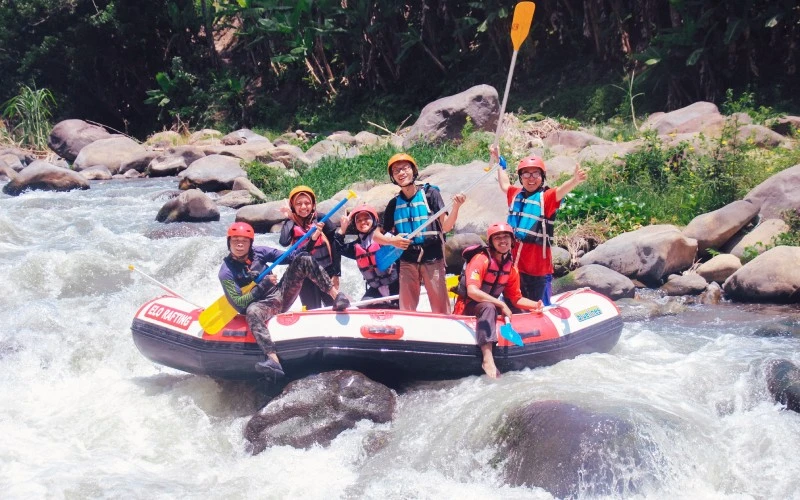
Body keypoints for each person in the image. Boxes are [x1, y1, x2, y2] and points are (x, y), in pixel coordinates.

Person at [219, 222, 350, 378]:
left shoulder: (259, 252)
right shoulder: (226, 272)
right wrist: (261, 287)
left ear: (250, 243)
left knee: (303, 259)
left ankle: (337, 296)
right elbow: (239, 303)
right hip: (263, 306)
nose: (240, 244)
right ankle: (273, 360)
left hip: (281, 293)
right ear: (229, 242)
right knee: (252, 311)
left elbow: (292, 256)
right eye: (235, 240)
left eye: (244, 240)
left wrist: (312, 240)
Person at [491, 145, 587, 305]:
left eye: (536, 173)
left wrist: (574, 181)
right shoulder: (515, 194)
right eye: (526, 174)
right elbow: (504, 184)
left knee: (540, 306)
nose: (531, 178)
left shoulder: (547, 198)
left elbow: (561, 191)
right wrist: (499, 162)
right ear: (521, 177)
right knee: (513, 301)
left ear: (542, 177)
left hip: (538, 268)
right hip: (514, 264)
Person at [374, 153, 466, 314]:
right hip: (407, 259)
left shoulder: (431, 194)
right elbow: (376, 235)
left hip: (432, 256)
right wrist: (392, 241)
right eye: (396, 171)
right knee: (407, 308)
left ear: (413, 171)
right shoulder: (394, 203)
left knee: (440, 308)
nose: (401, 173)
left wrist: (456, 207)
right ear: (393, 177)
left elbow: (446, 227)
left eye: (404, 168)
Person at [453, 222, 543, 378]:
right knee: (489, 307)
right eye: (498, 238)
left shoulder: (511, 268)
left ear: (512, 241)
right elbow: (472, 291)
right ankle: (487, 359)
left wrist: (535, 305)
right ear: (491, 243)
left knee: (499, 308)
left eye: (506, 237)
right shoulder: (481, 259)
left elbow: (516, 298)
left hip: (489, 305)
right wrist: (500, 303)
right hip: (469, 306)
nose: (503, 241)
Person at [279, 185, 342, 310]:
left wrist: (336, 273)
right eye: (298, 204)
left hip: (326, 272)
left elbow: (335, 246)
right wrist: (289, 218)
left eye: (307, 203)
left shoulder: (321, 219)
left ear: (313, 204)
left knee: (334, 307)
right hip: (306, 278)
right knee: (312, 309)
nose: (303, 207)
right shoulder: (291, 223)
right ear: (293, 206)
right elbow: (284, 242)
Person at [335, 204, 400, 308]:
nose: (363, 222)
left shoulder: (387, 238)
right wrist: (342, 229)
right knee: (362, 310)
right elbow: (338, 248)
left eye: (366, 218)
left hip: (396, 287)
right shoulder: (356, 246)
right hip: (376, 290)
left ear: (374, 220)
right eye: (359, 220)